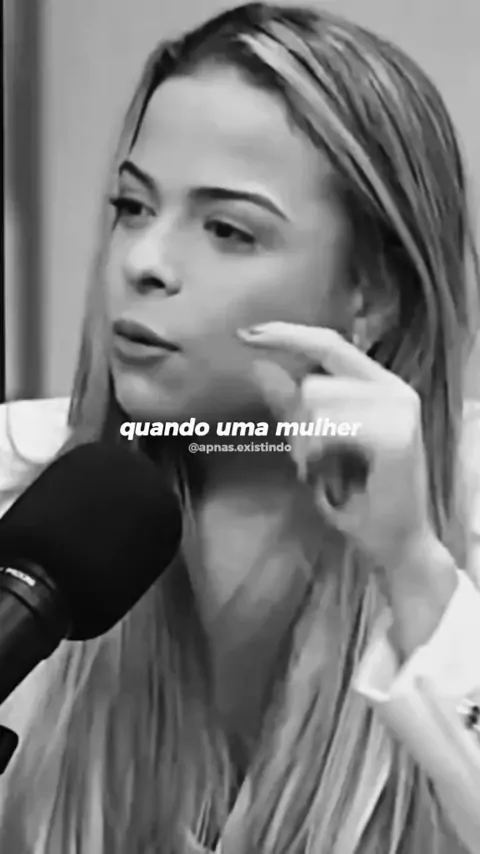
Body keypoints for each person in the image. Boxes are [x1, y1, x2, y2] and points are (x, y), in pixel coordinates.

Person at [0, 3, 479, 852]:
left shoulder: (456, 546)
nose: (143, 261)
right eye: (132, 207)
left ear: (372, 294)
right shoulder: (15, 491)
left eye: (228, 229)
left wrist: (412, 570)